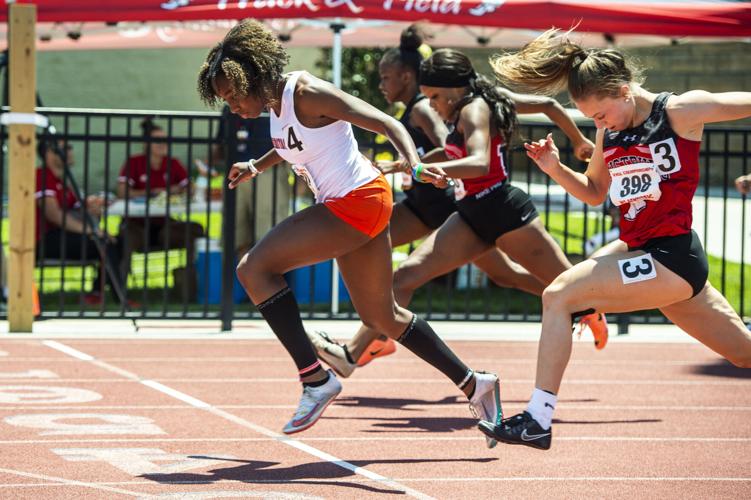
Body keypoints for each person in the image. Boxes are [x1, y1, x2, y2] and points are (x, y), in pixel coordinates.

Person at [197, 19, 502, 440]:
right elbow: (291, 144)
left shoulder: (306, 92)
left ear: (250, 77)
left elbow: (388, 124)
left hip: (357, 201)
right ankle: (475, 383)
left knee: (254, 269)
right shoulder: (274, 106)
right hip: (357, 205)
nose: (232, 107)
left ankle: (315, 380)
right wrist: (256, 165)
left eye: (232, 96)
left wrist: (413, 164)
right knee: (383, 316)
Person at [476, 28, 751, 451]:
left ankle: (537, 418)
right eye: (593, 120)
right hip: (644, 254)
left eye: (602, 115)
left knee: (559, 294)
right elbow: (594, 192)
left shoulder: (680, 111)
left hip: (673, 257)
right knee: (743, 354)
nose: (600, 125)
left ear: (624, 91)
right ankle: (588, 309)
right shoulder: (611, 131)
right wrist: (553, 167)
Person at [308, 47, 608, 380]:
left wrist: (581, 140)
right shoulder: (475, 102)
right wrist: (406, 165)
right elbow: (543, 107)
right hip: (469, 216)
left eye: (434, 97)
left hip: (504, 212)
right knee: (405, 278)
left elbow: (479, 162)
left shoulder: (473, 110)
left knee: (568, 285)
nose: (432, 105)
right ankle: (358, 351)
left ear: (453, 87)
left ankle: (591, 308)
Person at [34, 139, 127, 306]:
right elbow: (54, 215)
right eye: (65, 148)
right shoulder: (41, 176)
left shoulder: (61, 180)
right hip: (44, 239)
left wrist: (93, 204)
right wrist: (92, 231)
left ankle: (97, 293)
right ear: (49, 153)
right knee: (104, 242)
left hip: (63, 236)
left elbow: (77, 208)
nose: (70, 151)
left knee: (117, 241)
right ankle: (118, 298)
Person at [117, 118, 204, 286]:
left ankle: (191, 284)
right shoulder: (134, 162)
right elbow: (122, 192)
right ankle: (119, 290)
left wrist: (186, 187)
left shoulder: (173, 163)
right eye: (158, 140)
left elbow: (189, 188)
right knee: (125, 239)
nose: (163, 144)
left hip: (166, 226)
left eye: (165, 139)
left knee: (196, 230)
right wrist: (153, 192)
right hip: (137, 225)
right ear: (146, 144)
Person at [208, 105, 291, 258]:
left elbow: (290, 141)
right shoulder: (229, 107)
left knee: (269, 234)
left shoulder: (273, 102)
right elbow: (220, 143)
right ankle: (245, 279)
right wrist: (210, 167)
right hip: (234, 171)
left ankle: (269, 278)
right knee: (236, 235)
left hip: (269, 172)